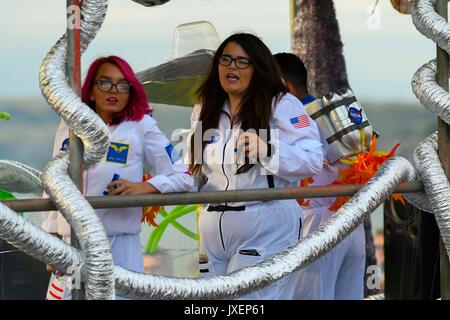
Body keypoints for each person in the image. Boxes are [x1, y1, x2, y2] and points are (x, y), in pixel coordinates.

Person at [42, 56, 194, 297]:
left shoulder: (141, 125)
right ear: (91, 91)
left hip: (119, 245)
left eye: (123, 85)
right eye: (104, 83)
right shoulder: (70, 123)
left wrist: (146, 187)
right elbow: (55, 179)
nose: (114, 91)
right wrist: (51, 235)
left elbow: (184, 177)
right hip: (71, 244)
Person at [186, 34, 323, 300]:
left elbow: (312, 159)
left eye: (242, 62)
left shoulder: (282, 104)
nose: (232, 67)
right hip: (212, 227)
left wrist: (268, 149)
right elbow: (194, 168)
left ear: (258, 68)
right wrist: (163, 184)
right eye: (225, 59)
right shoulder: (204, 108)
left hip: (265, 223)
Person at [274, 52, 366, 300]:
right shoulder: (332, 115)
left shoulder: (293, 122)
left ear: (285, 86)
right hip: (353, 223)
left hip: (315, 224)